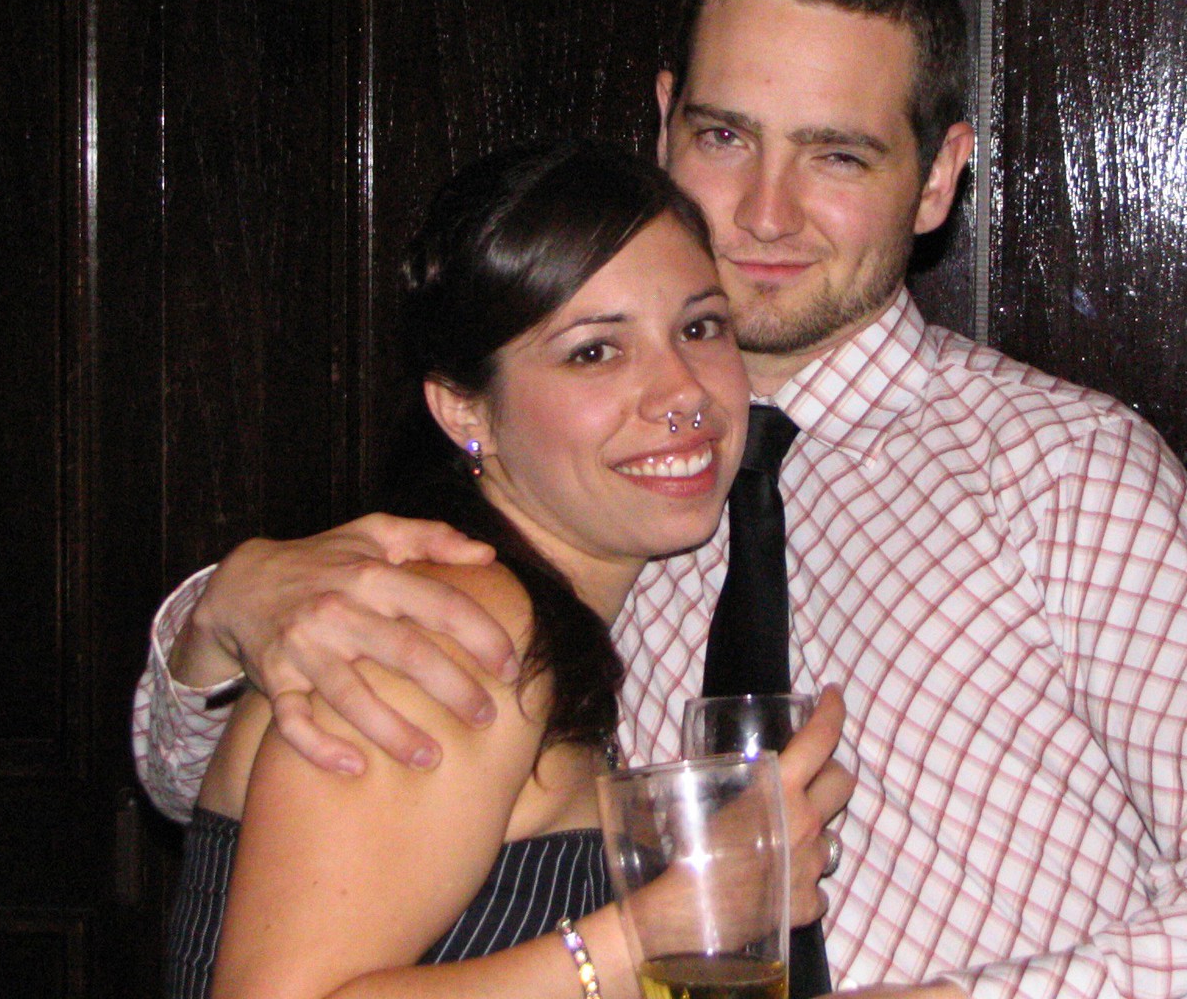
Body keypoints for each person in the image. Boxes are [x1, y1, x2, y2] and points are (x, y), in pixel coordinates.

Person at [136, 0, 1187, 997]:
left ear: (939, 178)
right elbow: (226, 795)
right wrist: (218, 624)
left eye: (838, 154)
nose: (765, 212)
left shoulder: (1062, 474)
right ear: (664, 120)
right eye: (727, 137)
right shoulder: (581, 484)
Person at [160, 138, 849, 999]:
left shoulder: (536, 615)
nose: (683, 391)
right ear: (465, 410)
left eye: (699, 327)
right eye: (595, 351)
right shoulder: (457, 631)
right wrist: (659, 928)